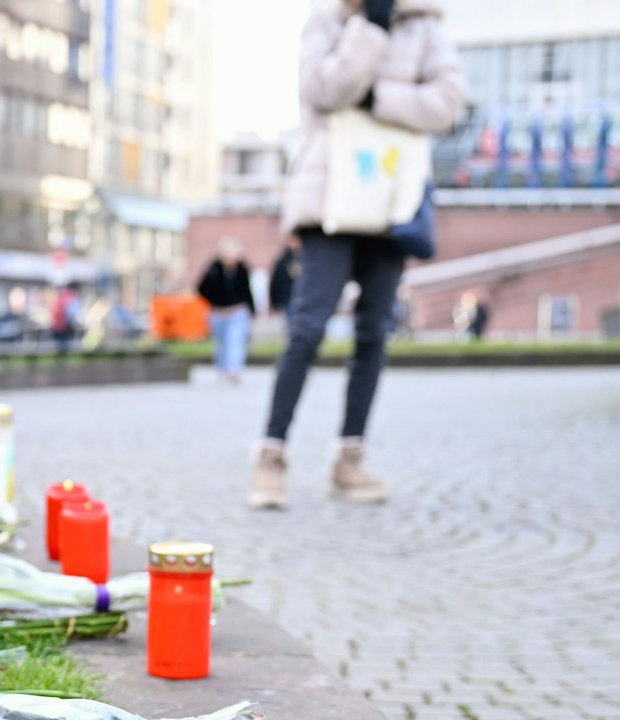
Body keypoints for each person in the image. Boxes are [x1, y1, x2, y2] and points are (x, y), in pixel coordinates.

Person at [250, 0, 465, 509]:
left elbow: (448, 103)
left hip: (392, 200)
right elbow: (321, 89)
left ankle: (350, 458)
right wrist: (370, 28)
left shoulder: (425, 26)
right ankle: (271, 454)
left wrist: (374, 97)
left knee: (373, 334)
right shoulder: (329, 18)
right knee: (307, 328)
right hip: (329, 199)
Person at [198, 238, 259, 382]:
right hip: (218, 312)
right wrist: (214, 302)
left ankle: (233, 370)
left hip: (237, 312)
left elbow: (248, 292)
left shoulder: (243, 271)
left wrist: (252, 310)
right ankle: (222, 369)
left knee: (235, 341)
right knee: (221, 343)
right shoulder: (213, 270)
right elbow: (202, 289)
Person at [269, 235, 301, 315]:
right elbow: (277, 281)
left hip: (301, 297)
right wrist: (275, 302)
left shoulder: (303, 258)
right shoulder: (283, 261)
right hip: (288, 298)